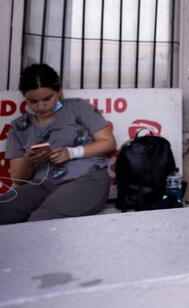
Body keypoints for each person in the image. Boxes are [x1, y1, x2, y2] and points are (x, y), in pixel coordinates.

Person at [0, 64, 115, 224]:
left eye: (48, 99)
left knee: (42, 219)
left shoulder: (78, 108)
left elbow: (108, 143)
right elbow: (18, 179)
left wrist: (71, 152)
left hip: (86, 179)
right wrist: (29, 160)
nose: (41, 107)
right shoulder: (19, 127)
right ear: (24, 97)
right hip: (43, 186)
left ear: (59, 92)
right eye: (33, 101)